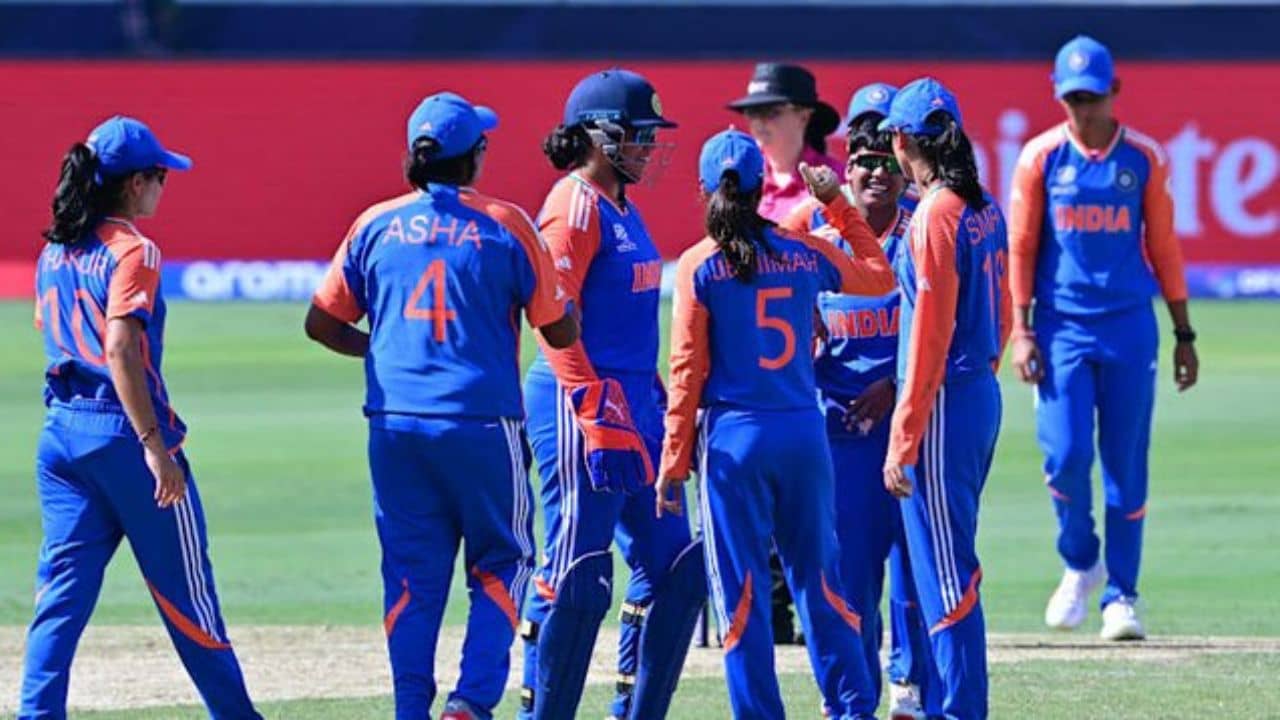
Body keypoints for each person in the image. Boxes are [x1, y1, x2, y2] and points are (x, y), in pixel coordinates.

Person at [305, 92, 587, 720]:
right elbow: (558, 330)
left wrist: (383, 349)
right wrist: (566, 302)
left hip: (395, 426)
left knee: (412, 574)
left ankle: (410, 708)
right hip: (482, 421)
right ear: (475, 156)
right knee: (505, 561)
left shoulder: (374, 223)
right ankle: (470, 701)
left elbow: (320, 323)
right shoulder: (506, 223)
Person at [21, 115, 261, 719]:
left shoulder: (55, 249)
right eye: (159, 177)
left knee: (60, 597)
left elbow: (51, 330)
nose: (162, 188)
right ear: (134, 183)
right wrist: (154, 444)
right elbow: (120, 348)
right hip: (124, 436)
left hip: (62, 433)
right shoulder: (134, 250)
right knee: (189, 599)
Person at [657, 128, 896, 719]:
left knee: (742, 596)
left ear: (704, 191)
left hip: (733, 443)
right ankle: (853, 708)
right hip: (803, 437)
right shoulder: (804, 251)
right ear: (762, 188)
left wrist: (673, 461)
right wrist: (836, 201)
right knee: (821, 582)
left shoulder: (699, 265)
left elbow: (686, 371)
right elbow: (879, 273)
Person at [518, 68, 704, 720]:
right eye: (639, 134)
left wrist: (661, 404)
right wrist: (592, 409)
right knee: (576, 573)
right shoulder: (573, 206)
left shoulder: (622, 205)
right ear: (598, 135)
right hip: (579, 402)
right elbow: (551, 318)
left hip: (635, 404)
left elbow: (629, 325)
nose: (649, 148)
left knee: (678, 567)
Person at [1008, 35, 1199, 641]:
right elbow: (1021, 246)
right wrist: (1021, 328)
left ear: (1114, 91)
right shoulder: (1041, 157)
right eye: (1072, 100)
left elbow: (1163, 246)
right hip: (1061, 329)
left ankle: (1122, 596)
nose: (1083, 111)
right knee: (1064, 458)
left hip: (1127, 328)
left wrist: (1184, 332)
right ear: (1057, 96)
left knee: (1125, 465)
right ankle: (1080, 560)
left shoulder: (1143, 157)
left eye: (1092, 98)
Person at [781, 82, 939, 720]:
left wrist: (897, 386)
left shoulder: (923, 230)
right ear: (844, 166)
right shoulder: (812, 235)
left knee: (915, 570)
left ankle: (912, 687)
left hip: (911, 429)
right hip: (839, 434)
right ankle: (849, 697)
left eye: (884, 159)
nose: (875, 171)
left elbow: (946, 330)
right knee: (847, 576)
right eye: (862, 159)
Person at [879, 77, 1011, 720]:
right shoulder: (983, 206)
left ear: (904, 142)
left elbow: (928, 337)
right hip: (976, 392)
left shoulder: (935, 214)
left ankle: (960, 709)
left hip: (944, 404)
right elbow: (1003, 311)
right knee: (946, 564)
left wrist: (904, 439)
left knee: (945, 573)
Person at [728, 60, 843, 644]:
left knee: (819, 499)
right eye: (752, 114)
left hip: (826, 365)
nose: (759, 124)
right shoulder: (741, 187)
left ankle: (824, 611)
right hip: (760, 368)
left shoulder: (832, 185)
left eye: (770, 111)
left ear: (804, 115)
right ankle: (771, 614)